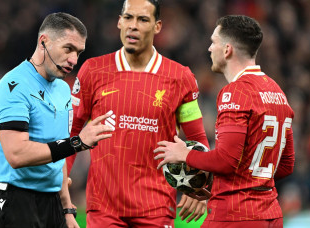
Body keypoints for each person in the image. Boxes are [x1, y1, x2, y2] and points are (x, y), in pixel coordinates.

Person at [67, 0, 210, 227]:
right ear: (119, 21)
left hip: (157, 207)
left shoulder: (180, 77)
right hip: (104, 208)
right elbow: (71, 134)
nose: (133, 25)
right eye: (128, 17)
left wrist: (200, 186)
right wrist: (60, 190)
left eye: (143, 19)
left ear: (157, 26)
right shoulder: (93, 71)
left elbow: (198, 140)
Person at [154, 15, 295, 228]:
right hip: (271, 215)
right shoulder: (278, 92)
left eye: (213, 42)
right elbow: (285, 166)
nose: (210, 48)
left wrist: (185, 154)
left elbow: (226, 161)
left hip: (234, 215)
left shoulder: (236, 92)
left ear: (227, 49)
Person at [0, 12, 114, 228]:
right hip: (15, 201)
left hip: (52, 204)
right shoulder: (14, 85)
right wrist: (77, 143)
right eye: (68, 49)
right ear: (44, 41)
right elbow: (16, 153)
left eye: (79, 52)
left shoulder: (63, 89)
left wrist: (68, 209)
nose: (74, 60)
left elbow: (58, 155)